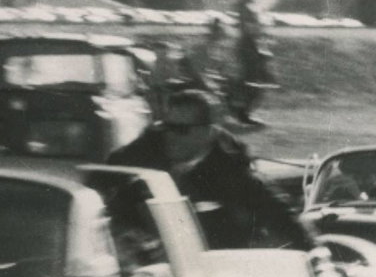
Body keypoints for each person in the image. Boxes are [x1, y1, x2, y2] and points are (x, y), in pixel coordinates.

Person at [107, 89, 313, 249]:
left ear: (209, 131)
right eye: (167, 127)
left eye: (181, 130)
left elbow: (278, 212)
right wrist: (125, 229)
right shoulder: (151, 145)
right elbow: (105, 176)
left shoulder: (232, 169)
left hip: (215, 263)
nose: (170, 136)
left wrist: (314, 253)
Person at [231, 0, 278, 127]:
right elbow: (248, 28)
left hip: (253, 45)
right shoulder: (245, 4)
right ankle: (242, 113)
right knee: (250, 80)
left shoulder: (252, 5)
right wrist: (260, 45)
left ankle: (243, 111)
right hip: (248, 45)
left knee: (258, 80)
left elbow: (256, 28)